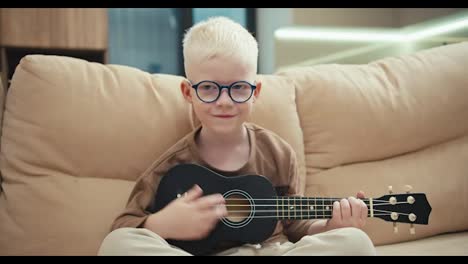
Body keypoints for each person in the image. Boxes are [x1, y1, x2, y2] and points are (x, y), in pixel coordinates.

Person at [98, 16, 376, 256]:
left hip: (270, 251)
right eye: (208, 88)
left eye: (239, 88)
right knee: (117, 245)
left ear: (255, 92)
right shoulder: (173, 164)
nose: (224, 101)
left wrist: (331, 226)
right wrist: (163, 224)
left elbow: (295, 225)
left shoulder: (278, 153)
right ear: (187, 92)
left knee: (355, 242)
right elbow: (122, 227)